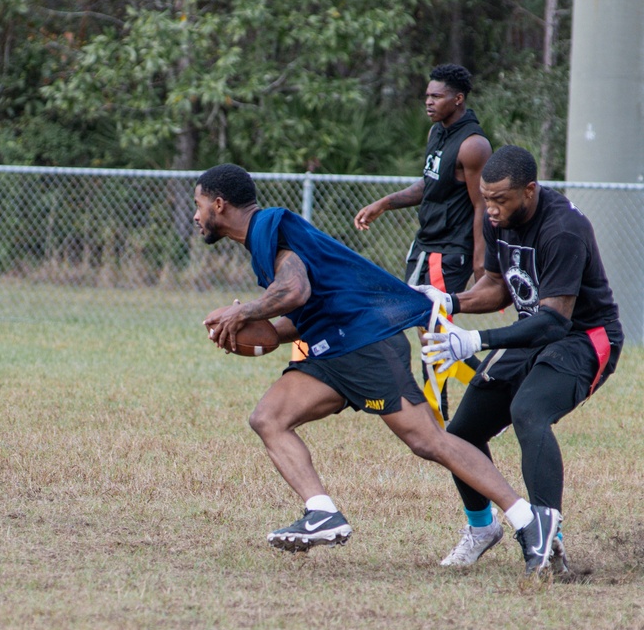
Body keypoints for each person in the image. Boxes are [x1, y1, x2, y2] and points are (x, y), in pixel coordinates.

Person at [195, 162, 558, 570]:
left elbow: (294, 289)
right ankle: (322, 513)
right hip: (332, 346)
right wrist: (248, 335)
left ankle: (527, 520)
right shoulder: (263, 240)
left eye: (199, 204)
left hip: (364, 341)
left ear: (220, 205)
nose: (196, 215)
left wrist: (241, 314)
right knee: (268, 417)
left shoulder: (266, 227)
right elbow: (301, 311)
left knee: (428, 441)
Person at [418, 145, 622, 573]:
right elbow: (496, 285)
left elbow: (553, 322)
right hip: (534, 331)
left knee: (528, 411)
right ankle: (481, 529)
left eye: (500, 200)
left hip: (583, 337)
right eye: (486, 198)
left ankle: (549, 536)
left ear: (529, 190)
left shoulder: (562, 228)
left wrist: (474, 340)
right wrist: (450, 300)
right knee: (463, 432)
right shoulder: (498, 218)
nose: (490, 209)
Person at [354, 64, 492, 297]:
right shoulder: (435, 132)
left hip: (451, 248)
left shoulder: (473, 144)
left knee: (435, 322)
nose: (428, 102)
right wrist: (384, 203)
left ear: (458, 98)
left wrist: (480, 261)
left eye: (436, 96)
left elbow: (482, 204)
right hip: (425, 242)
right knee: (419, 317)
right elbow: (431, 182)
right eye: (427, 96)